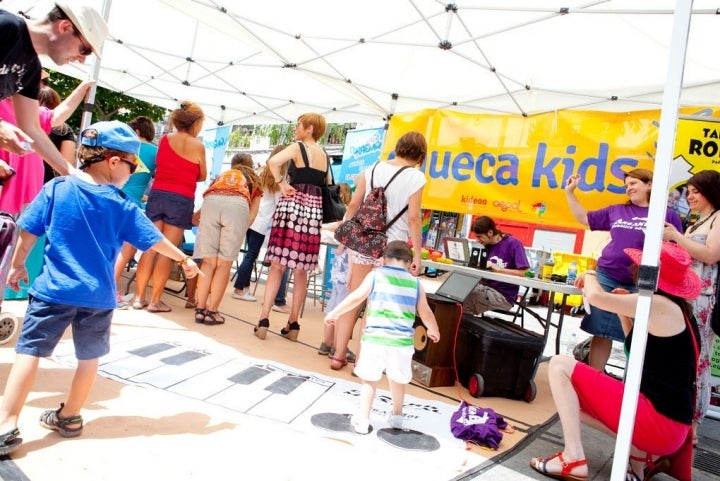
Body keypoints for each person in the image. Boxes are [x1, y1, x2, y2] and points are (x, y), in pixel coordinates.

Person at [0, 120, 200, 456]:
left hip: (54, 290)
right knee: (89, 357)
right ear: (113, 161)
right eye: (133, 166)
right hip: (99, 297)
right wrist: (184, 259)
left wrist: (19, 264)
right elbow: (156, 240)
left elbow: (29, 231)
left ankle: (7, 423)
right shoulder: (122, 205)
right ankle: (71, 416)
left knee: (30, 351)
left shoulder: (58, 188)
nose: (135, 173)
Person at [530, 241, 701, 481]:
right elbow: (637, 353)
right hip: (671, 427)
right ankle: (639, 463)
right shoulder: (680, 312)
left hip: (659, 423)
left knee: (559, 365)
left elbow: (596, 297)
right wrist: (623, 312)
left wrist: (590, 273)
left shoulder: (659, 305)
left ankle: (573, 458)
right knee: (572, 401)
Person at [564, 168, 684, 371]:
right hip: (607, 275)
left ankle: (633, 385)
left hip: (644, 282)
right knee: (601, 332)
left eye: (633, 183)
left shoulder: (668, 215)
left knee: (640, 335)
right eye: (626, 185)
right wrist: (569, 192)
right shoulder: (617, 210)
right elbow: (584, 218)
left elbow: (677, 250)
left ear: (649, 184)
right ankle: (595, 379)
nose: (628, 188)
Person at [330, 131, 427, 370]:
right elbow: (414, 218)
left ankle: (338, 355)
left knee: (354, 298)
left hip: (363, 242)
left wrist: (345, 238)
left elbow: (354, 204)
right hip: (393, 247)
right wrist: (417, 255)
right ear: (420, 155)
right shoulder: (415, 177)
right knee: (375, 304)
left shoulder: (372, 168)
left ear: (399, 146)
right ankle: (362, 363)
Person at [324, 241, 440, 434]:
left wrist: (335, 312)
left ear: (384, 259)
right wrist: (433, 329)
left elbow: (356, 298)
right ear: (410, 262)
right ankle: (397, 416)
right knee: (398, 381)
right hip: (401, 342)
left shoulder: (376, 275)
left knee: (369, 381)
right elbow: (425, 312)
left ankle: (362, 420)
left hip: (375, 339)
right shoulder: (415, 283)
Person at [0, 2, 107, 177]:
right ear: (65, 26)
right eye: (85, 49)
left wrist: (74, 175)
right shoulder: (7, 28)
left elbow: (32, 128)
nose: (82, 60)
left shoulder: (31, 68)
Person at [253, 113, 328, 342]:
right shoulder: (324, 155)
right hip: (313, 212)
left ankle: (264, 319)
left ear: (309, 128)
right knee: (301, 270)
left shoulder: (298, 147)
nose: (296, 129)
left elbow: (273, 162)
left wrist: (281, 183)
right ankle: (293, 323)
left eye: (298, 125)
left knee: (277, 265)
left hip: (292, 207)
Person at [131, 101, 206, 313]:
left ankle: (139, 297)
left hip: (158, 195)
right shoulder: (198, 146)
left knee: (151, 246)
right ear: (195, 123)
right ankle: (155, 301)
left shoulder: (164, 140)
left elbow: (160, 165)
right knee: (168, 251)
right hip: (181, 198)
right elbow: (202, 174)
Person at [663, 169, 720, 445]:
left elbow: (711, 255)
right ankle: (682, 418)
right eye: (689, 191)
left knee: (700, 359)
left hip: (703, 298)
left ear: (710, 190)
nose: (690, 196)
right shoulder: (696, 222)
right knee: (685, 358)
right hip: (685, 295)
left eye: (696, 191)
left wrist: (676, 236)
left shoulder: (718, 218)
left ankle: (694, 424)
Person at [0, 81, 94, 214]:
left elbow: (55, 117)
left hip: (29, 197)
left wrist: (81, 90)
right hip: (5, 191)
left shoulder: (26, 108)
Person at [193, 153, 261, 325]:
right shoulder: (253, 180)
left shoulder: (221, 177)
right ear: (251, 165)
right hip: (237, 205)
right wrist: (239, 230)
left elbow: (207, 200)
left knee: (208, 262)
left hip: (211, 201)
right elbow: (252, 215)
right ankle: (212, 312)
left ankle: (200, 309)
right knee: (224, 264)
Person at [231, 146, 291, 312]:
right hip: (264, 222)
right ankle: (239, 288)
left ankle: (244, 288)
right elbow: (280, 202)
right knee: (251, 255)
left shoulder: (263, 172)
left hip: (253, 217)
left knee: (250, 254)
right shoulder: (280, 178)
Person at [112, 116, 159, 308]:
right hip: (132, 202)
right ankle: (110, 290)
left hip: (113, 195)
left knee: (110, 246)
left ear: (137, 132)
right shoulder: (155, 152)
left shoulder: (125, 147)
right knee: (126, 250)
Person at [463, 216, 530, 315]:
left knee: (467, 299)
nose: (477, 240)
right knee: (457, 292)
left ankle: (461, 327)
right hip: (484, 287)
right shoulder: (488, 246)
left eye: (479, 236)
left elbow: (527, 273)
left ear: (490, 232)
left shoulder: (513, 244)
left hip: (503, 295)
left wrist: (498, 269)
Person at [317, 182, 354, 358]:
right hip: (350, 267)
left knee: (333, 303)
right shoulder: (362, 215)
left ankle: (326, 343)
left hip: (339, 265)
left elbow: (340, 230)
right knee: (344, 307)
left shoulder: (349, 213)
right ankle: (339, 347)